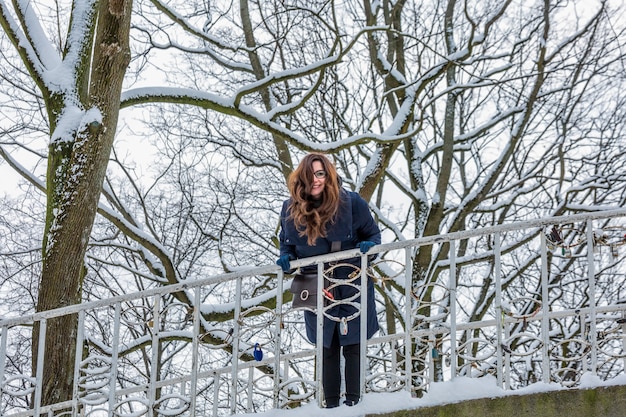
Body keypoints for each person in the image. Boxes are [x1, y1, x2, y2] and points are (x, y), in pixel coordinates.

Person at [276, 153, 381, 408]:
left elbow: (373, 236)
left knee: (353, 342)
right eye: (311, 174)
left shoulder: (351, 202)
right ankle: (331, 405)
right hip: (315, 284)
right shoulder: (290, 210)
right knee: (327, 345)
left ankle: (355, 402)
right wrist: (286, 259)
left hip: (351, 279)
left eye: (321, 173)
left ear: (328, 175)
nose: (316, 180)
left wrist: (369, 248)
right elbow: (286, 243)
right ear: (302, 177)